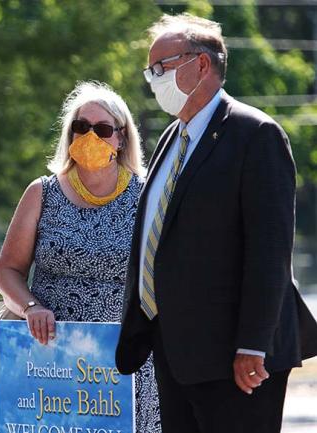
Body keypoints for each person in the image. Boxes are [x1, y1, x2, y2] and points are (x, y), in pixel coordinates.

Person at [115, 13, 317, 433]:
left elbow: (269, 251)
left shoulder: (255, 134)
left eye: (160, 68)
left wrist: (252, 345)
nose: (152, 80)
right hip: (177, 350)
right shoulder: (173, 136)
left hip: (236, 360)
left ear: (201, 65)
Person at [0, 81, 161, 432]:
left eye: (102, 129)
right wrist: (30, 307)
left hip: (125, 361)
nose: (90, 137)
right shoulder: (42, 192)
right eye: (81, 127)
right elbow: (7, 271)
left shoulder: (149, 197)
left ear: (121, 138)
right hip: (51, 359)